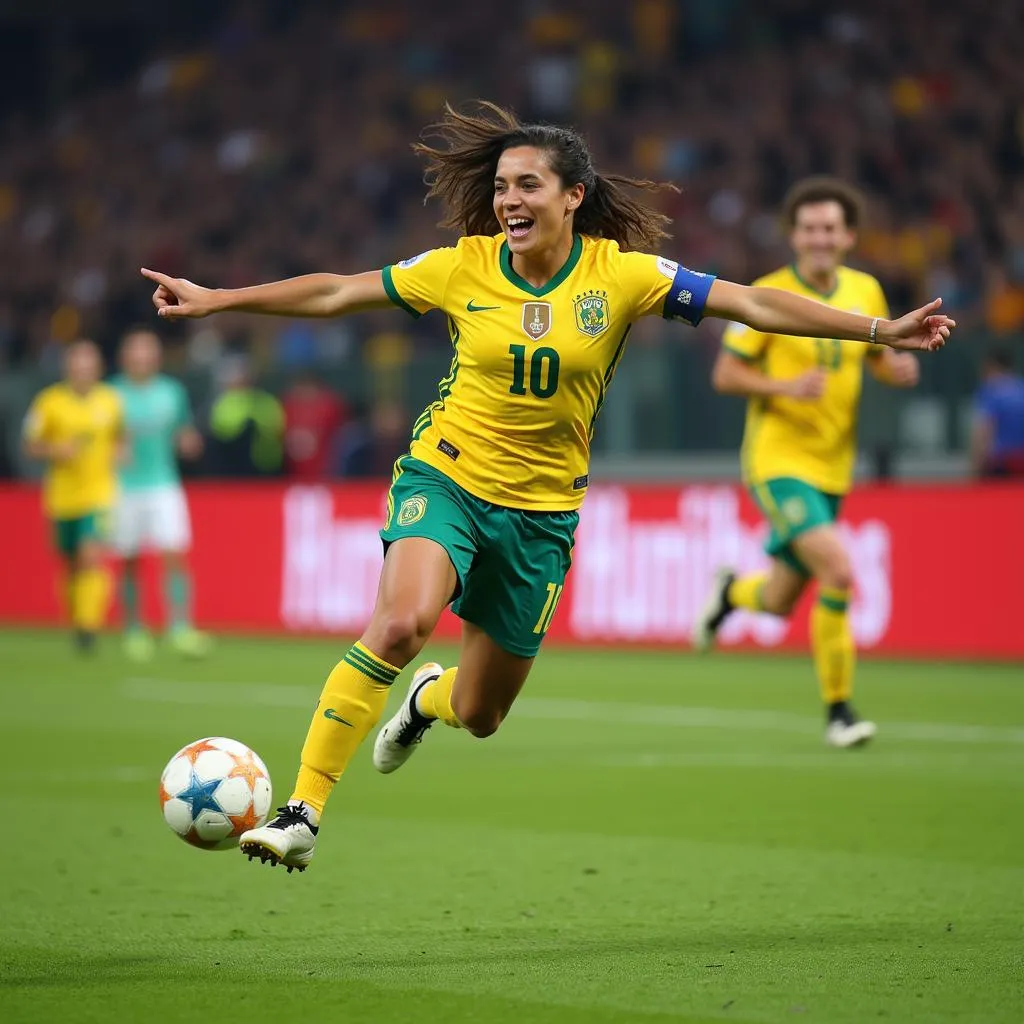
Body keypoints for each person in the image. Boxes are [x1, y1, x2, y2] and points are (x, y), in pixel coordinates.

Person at [141, 104, 952, 872]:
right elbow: (336, 290)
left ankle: (428, 704)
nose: (507, 200)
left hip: (542, 516)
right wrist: (220, 301)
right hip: (448, 474)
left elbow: (752, 302)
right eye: (499, 186)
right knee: (400, 622)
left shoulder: (625, 276)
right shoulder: (460, 267)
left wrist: (880, 329)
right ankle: (302, 813)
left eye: (526, 184)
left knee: (484, 714)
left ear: (574, 196)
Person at [692, 177, 922, 748]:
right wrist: (785, 386)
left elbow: (876, 357)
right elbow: (725, 375)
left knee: (778, 600)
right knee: (839, 571)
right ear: (794, 236)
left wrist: (894, 369)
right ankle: (839, 712)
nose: (820, 238)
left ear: (847, 237)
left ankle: (729, 595)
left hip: (833, 466)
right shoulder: (765, 294)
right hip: (778, 461)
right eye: (809, 228)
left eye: (830, 229)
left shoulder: (866, 292)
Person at [111, 328, 211, 660]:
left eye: (149, 351)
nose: (144, 358)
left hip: (164, 484)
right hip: (122, 487)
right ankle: (133, 629)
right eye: (137, 351)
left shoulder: (172, 392)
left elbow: (183, 431)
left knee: (175, 554)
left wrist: (188, 442)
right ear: (126, 357)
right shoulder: (110, 395)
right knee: (128, 559)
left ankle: (179, 628)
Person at [22, 339, 123, 651]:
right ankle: (78, 617)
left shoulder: (110, 401)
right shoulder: (49, 402)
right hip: (62, 497)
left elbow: (121, 435)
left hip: (99, 494)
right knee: (69, 564)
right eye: (77, 364)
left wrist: (121, 452)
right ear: (68, 368)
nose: (83, 370)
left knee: (91, 555)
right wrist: (55, 449)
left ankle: (88, 628)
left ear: (98, 369)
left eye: (89, 365)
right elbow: (30, 444)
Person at [970, 346, 1024, 478]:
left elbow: (984, 429)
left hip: (1000, 463)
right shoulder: (1021, 388)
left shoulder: (990, 391)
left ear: (992, 366)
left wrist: (976, 466)